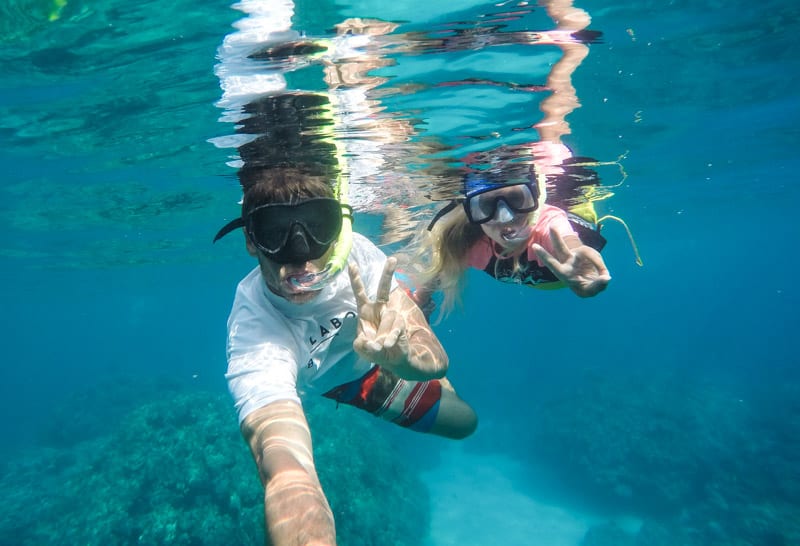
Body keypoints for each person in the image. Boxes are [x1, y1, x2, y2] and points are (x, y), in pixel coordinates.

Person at [214, 166, 477, 546]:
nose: (301, 260)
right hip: (353, 385)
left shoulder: (356, 255)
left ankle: (411, 293)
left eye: (318, 226)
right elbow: (284, 467)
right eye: (274, 233)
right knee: (463, 422)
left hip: (383, 361)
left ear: (336, 229)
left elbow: (434, 360)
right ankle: (409, 297)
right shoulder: (254, 330)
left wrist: (400, 358)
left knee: (465, 421)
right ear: (251, 241)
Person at [404, 0, 613, 316]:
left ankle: (565, 17)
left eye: (517, 198)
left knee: (557, 97)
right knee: (552, 104)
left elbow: (564, 239)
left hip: (563, 191)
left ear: (536, 193)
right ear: (470, 210)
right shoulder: (464, 242)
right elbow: (434, 275)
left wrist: (575, 257)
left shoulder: (548, 223)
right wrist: (418, 305)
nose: (504, 218)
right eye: (486, 206)